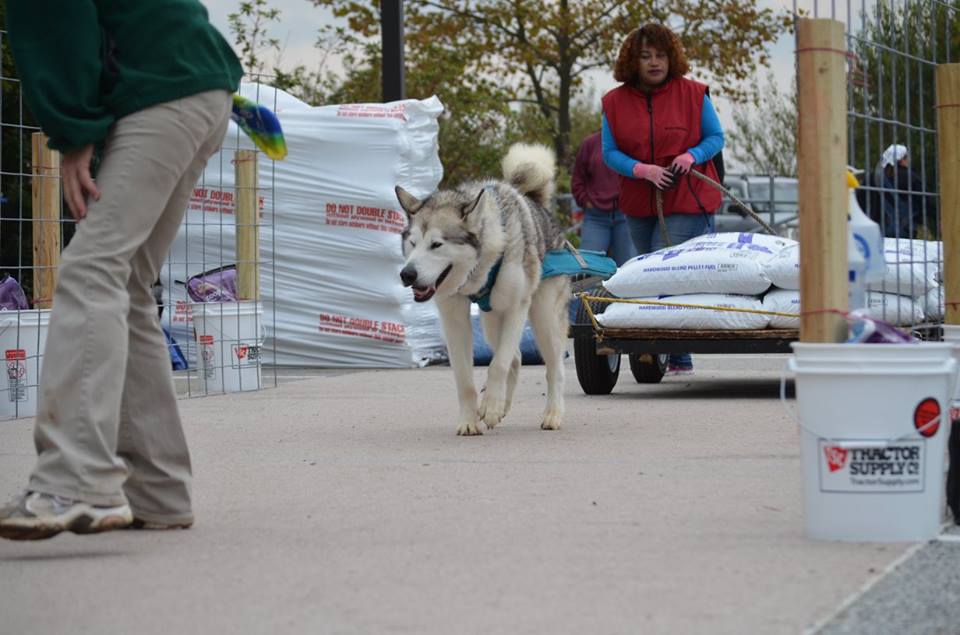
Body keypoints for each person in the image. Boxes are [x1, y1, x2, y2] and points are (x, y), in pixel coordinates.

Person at [0, 0, 242, 540]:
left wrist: (74, 131)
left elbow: (59, 25)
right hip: (198, 85)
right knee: (127, 282)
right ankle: (158, 491)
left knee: (91, 270)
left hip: (163, 93)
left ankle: (74, 480)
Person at [600, 23, 725, 375]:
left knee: (664, 268)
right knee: (644, 268)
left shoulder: (695, 93)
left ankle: (676, 352)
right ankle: (659, 350)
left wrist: (691, 156)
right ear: (632, 62)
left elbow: (716, 137)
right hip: (640, 201)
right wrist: (642, 169)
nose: (654, 62)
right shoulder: (614, 102)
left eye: (660, 55)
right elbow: (610, 152)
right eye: (646, 56)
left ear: (672, 59)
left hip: (688, 198)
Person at [571, 130, 637, 266]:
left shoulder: (631, 143)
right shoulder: (589, 144)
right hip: (595, 217)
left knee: (627, 266)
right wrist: (585, 201)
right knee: (589, 266)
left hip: (625, 216)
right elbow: (577, 180)